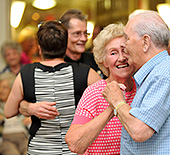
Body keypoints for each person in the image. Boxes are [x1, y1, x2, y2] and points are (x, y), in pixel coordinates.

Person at [4, 21, 101, 154]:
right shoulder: (85, 72)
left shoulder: (26, 73)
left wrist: (28, 107)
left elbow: (9, 111)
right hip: (75, 149)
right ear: (65, 45)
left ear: (39, 48)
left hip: (40, 149)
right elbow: (108, 103)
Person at [102, 10, 170, 154]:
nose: (123, 45)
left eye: (127, 38)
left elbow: (139, 131)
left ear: (145, 42)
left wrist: (117, 101)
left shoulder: (162, 74)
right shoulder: (160, 70)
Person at [65, 23, 136, 154]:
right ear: (104, 61)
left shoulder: (143, 88)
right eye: (113, 53)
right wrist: (113, 105)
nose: (121, 58)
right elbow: (74, 143)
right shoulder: (95, 92)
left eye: (125, 50)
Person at [60, 9, 106, 79]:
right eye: (77, 34)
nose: (84, 39)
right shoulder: (59, 64)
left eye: (85, 33)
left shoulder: (95, 60)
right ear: (63, 34)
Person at [0, 72, 29, 155]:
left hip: (23, 136)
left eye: (4, 88)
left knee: (29, 151)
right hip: (6, 137)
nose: (1, 90)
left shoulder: (21, 105)